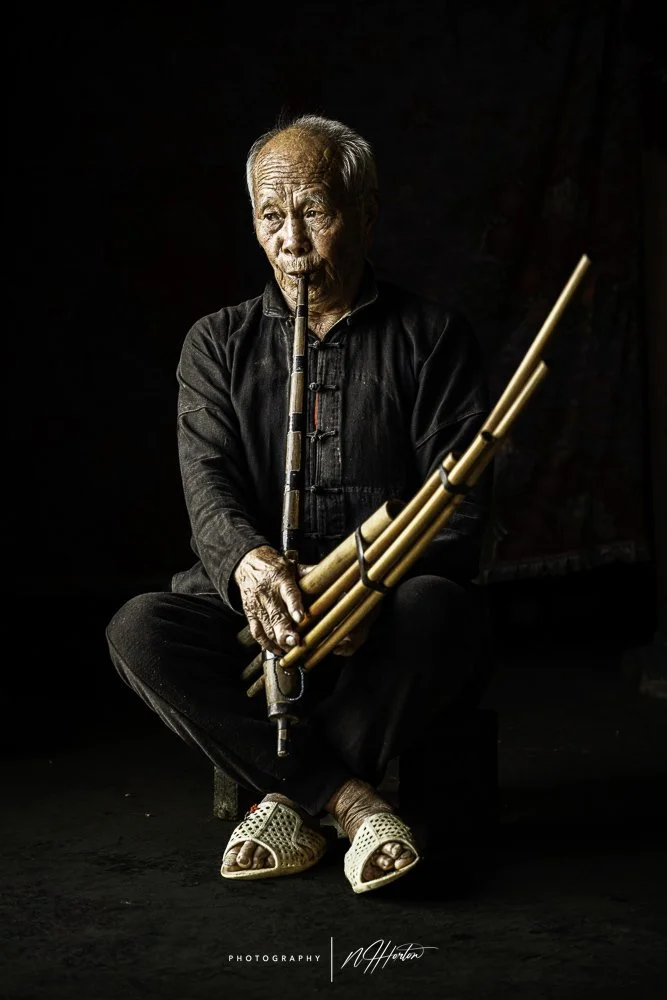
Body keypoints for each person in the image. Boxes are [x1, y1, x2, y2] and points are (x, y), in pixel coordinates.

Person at [105, 113, 492, 895]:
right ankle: (347, 803)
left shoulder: (432, 337)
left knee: (440, 611)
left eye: (313, 211)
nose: (291, 240)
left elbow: (460, 514)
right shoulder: (214, 344)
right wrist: (251, 567)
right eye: (270, 216)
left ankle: (284, 801)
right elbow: (207, 487)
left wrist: (359, 591)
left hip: (379, 606)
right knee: (139, 629)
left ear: (367, 210)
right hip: (254, 611)